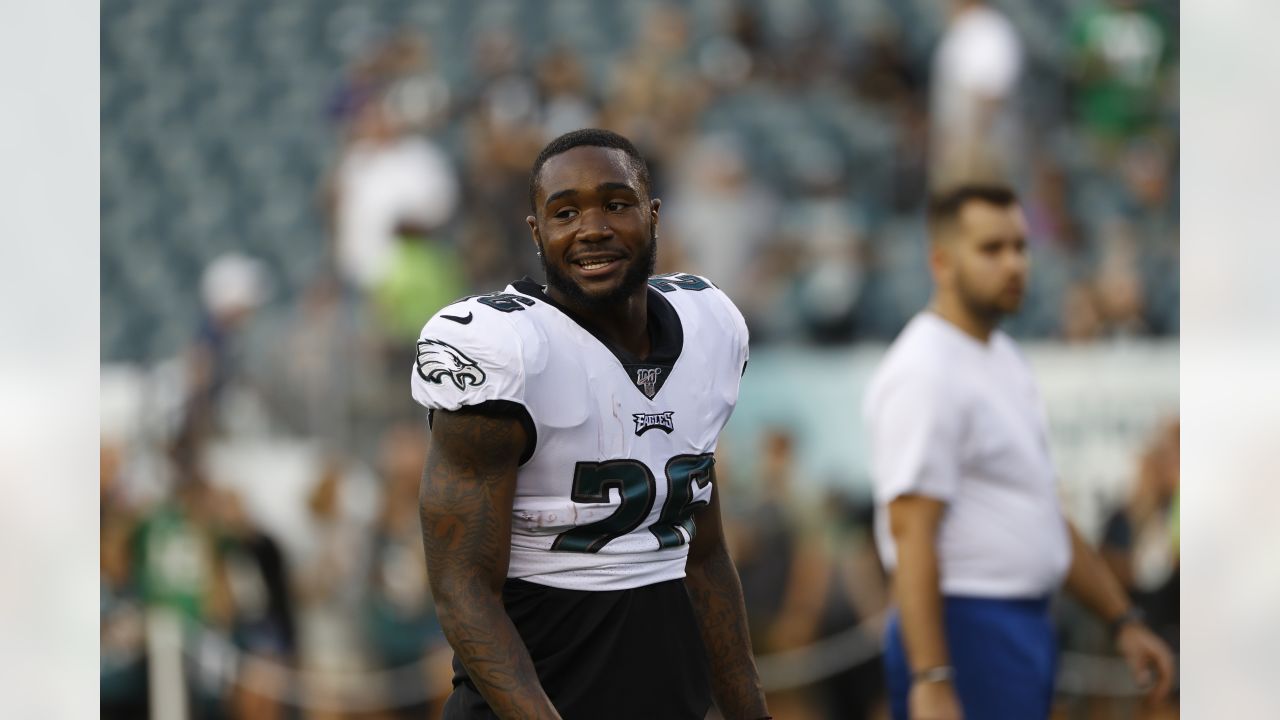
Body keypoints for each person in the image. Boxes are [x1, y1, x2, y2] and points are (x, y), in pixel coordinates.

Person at [411, 128, 770, 720]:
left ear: (653, 216)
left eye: (616, 203)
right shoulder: (505, 349)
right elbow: (463, 591)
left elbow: (702, 555)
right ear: (537, 232)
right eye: (566, 211)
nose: (592, 227)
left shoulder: (711, 328)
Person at [863, 184, 1174, 719]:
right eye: (991, 249)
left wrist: (1123, 620)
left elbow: (1044, 512)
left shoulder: (1004, 357)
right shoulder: (926, 370)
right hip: (963, 627)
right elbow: (911, 530)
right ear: (941, 261)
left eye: (1020, 246)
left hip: (1019, 626)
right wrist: (932, 678)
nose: (1013, 264)